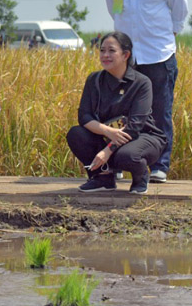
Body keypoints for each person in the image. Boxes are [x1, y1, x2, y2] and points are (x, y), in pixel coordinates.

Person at [104, 0, 188, 183]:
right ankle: (117, 162)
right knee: (119, 111)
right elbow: (112, 6)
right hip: (125, 58)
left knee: (159, 111)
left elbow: (180, 9)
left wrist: (166, 34)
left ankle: (160, 166)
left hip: (158, 54)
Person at [66, 32, 165, 195]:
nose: (105, 55)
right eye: (102, 50)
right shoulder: (94, 80)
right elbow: (84, 116)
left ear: (126, 54)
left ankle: (141, 177)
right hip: (111, 134)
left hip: (142, 137)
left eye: (111, 51)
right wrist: (108, 132)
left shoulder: (141, 83)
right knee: (76, 134)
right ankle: (102, 178)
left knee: (127, 155)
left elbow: (135, 126)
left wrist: (107, 150)